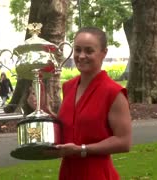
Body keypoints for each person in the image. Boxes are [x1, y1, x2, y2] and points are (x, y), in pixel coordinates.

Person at [55, 27, 132, 179]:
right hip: (68, 172)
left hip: (96, 173)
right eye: (77, 50)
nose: (81, 56)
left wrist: (82, 150)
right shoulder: (69, 87)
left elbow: (124, 142)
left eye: (89, 51)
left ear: (104, 53)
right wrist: (40, 110)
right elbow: (71, 127)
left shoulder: (113, 92)